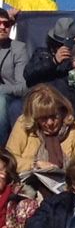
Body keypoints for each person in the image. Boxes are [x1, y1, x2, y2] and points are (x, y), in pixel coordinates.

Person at [5, 84, 75, 179]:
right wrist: (35, 165)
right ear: (35, 117)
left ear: (62, 111)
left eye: (54, 116)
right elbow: (9, 159)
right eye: (43, 118)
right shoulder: (23, 123)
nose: (50, 123)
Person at [22, 15, 75, 91]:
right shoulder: (42, 54)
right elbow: (28, 74)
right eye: (59, 44)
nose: (64, 48)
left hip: (71, 98)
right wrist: (54, 61)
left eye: (69, 44)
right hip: (45, 96)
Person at [0, 8, 30, 146]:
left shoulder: (18, 48)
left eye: (6, 24)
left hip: (9, 99)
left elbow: (23, 87)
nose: (3, 27)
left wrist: (1, 89)